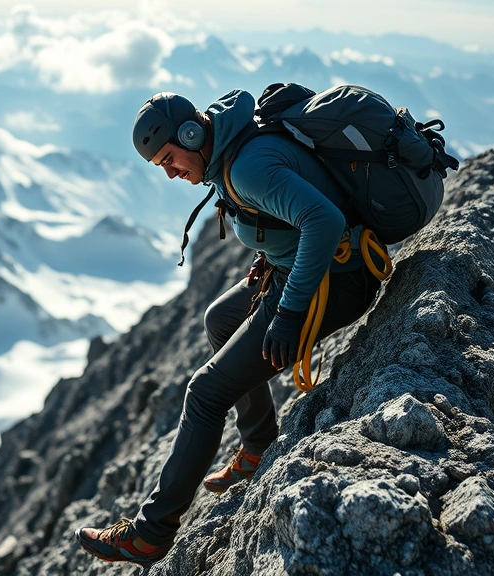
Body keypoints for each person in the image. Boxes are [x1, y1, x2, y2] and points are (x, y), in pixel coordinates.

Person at [74, 89, 383, 565]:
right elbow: (297, 207)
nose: (171, 172)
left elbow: (324, 219)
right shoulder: (230, 147)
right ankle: (259, 443)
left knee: (204, 393)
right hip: (306, 266)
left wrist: (289, 313)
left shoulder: (245, 166)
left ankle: (149, 534)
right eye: (160, 166)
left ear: (192, 134)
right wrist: (270, 256)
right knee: (218, 318)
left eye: (170, 158)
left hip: (338, 278)